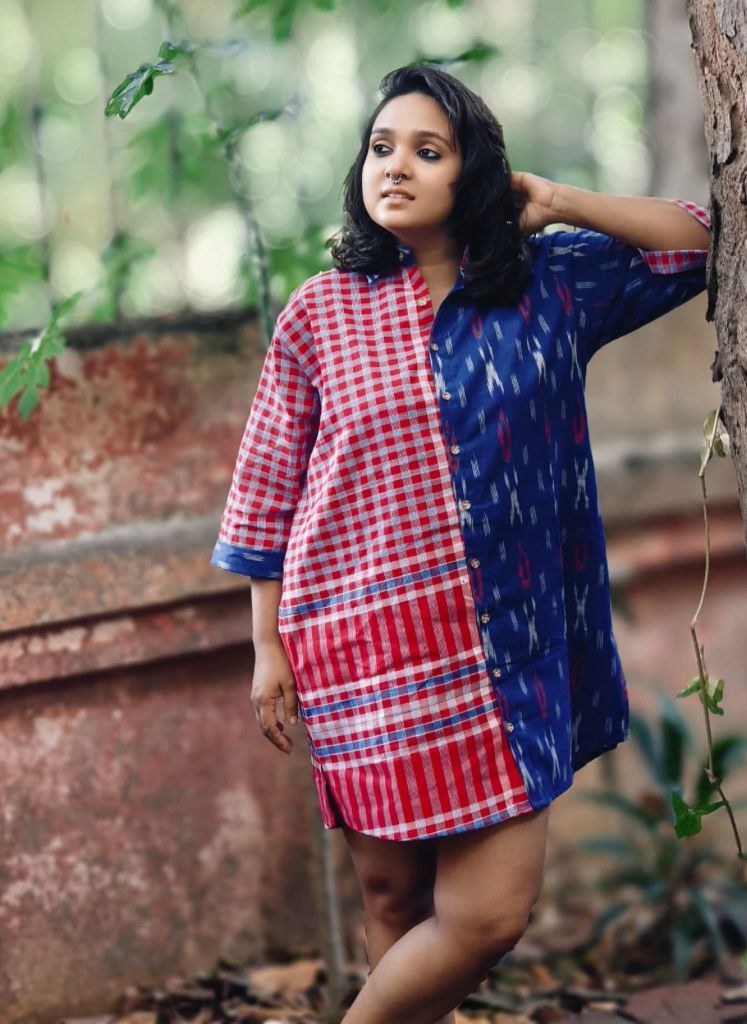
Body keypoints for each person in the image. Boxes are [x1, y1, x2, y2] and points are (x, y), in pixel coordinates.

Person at [211, 63, 710, 1024]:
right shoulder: (320, 313)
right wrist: (268, 647)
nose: (393, 166)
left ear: (474, 175)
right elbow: (267, 491)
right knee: (395, 906)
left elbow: (706, 241)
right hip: (355, 654)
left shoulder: (550, 283)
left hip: (503, 657)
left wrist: (553, 200)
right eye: (381, 146)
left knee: (484, 918)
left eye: (427, 151)